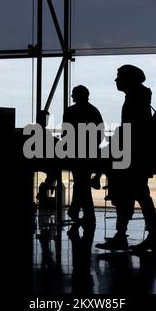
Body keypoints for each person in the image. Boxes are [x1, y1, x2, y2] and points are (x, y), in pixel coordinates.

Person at [96, 65, 156, 253]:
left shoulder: (135, 99)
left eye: (119, 76)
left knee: (134, 195)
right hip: (136, 155)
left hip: (132, 156)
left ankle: (137, 236)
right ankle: (147, 236)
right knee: (138, 195)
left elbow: (133, 130)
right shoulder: (139, 97)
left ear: (129, 79)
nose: (116, 80)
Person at [63, 85, 104, 225]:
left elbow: (66, 134)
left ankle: (80, 211)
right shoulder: (94, 111)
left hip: (76, 153)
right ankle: (84, 213)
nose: (72, 96)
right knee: (83, 185)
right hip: (89, 153)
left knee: (81, 184)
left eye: (74, 94)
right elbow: (100, 133)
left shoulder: (70, 111)